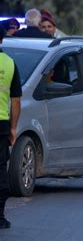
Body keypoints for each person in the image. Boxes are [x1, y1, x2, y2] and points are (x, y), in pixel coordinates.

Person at [0, 24, 22, 229]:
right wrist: (14, 128)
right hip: (1, 125)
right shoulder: (9, 63)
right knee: (0, 171)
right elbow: (16, 100)